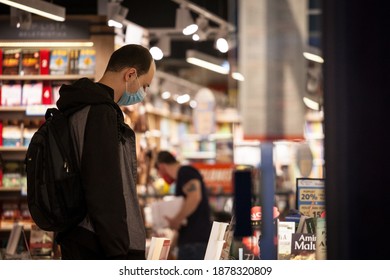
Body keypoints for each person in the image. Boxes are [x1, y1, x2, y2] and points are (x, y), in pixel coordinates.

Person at [55, 44, 156, 259]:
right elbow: (104, 188)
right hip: (97, 244)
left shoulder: (77, 108)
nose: (143, 93)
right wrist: (119, 252)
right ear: (130, 74)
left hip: (77, 236)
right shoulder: (101, 113)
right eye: (145, 86)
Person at [155, 150, 212, 260]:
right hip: (190, 243)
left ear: (161, 166)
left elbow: (195, 197)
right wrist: (171, 248)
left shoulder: (185, 172)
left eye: (158, 172)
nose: (160, 176)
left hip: (195, 244)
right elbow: (185, 221)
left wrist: (176, 220)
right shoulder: (183, 176)